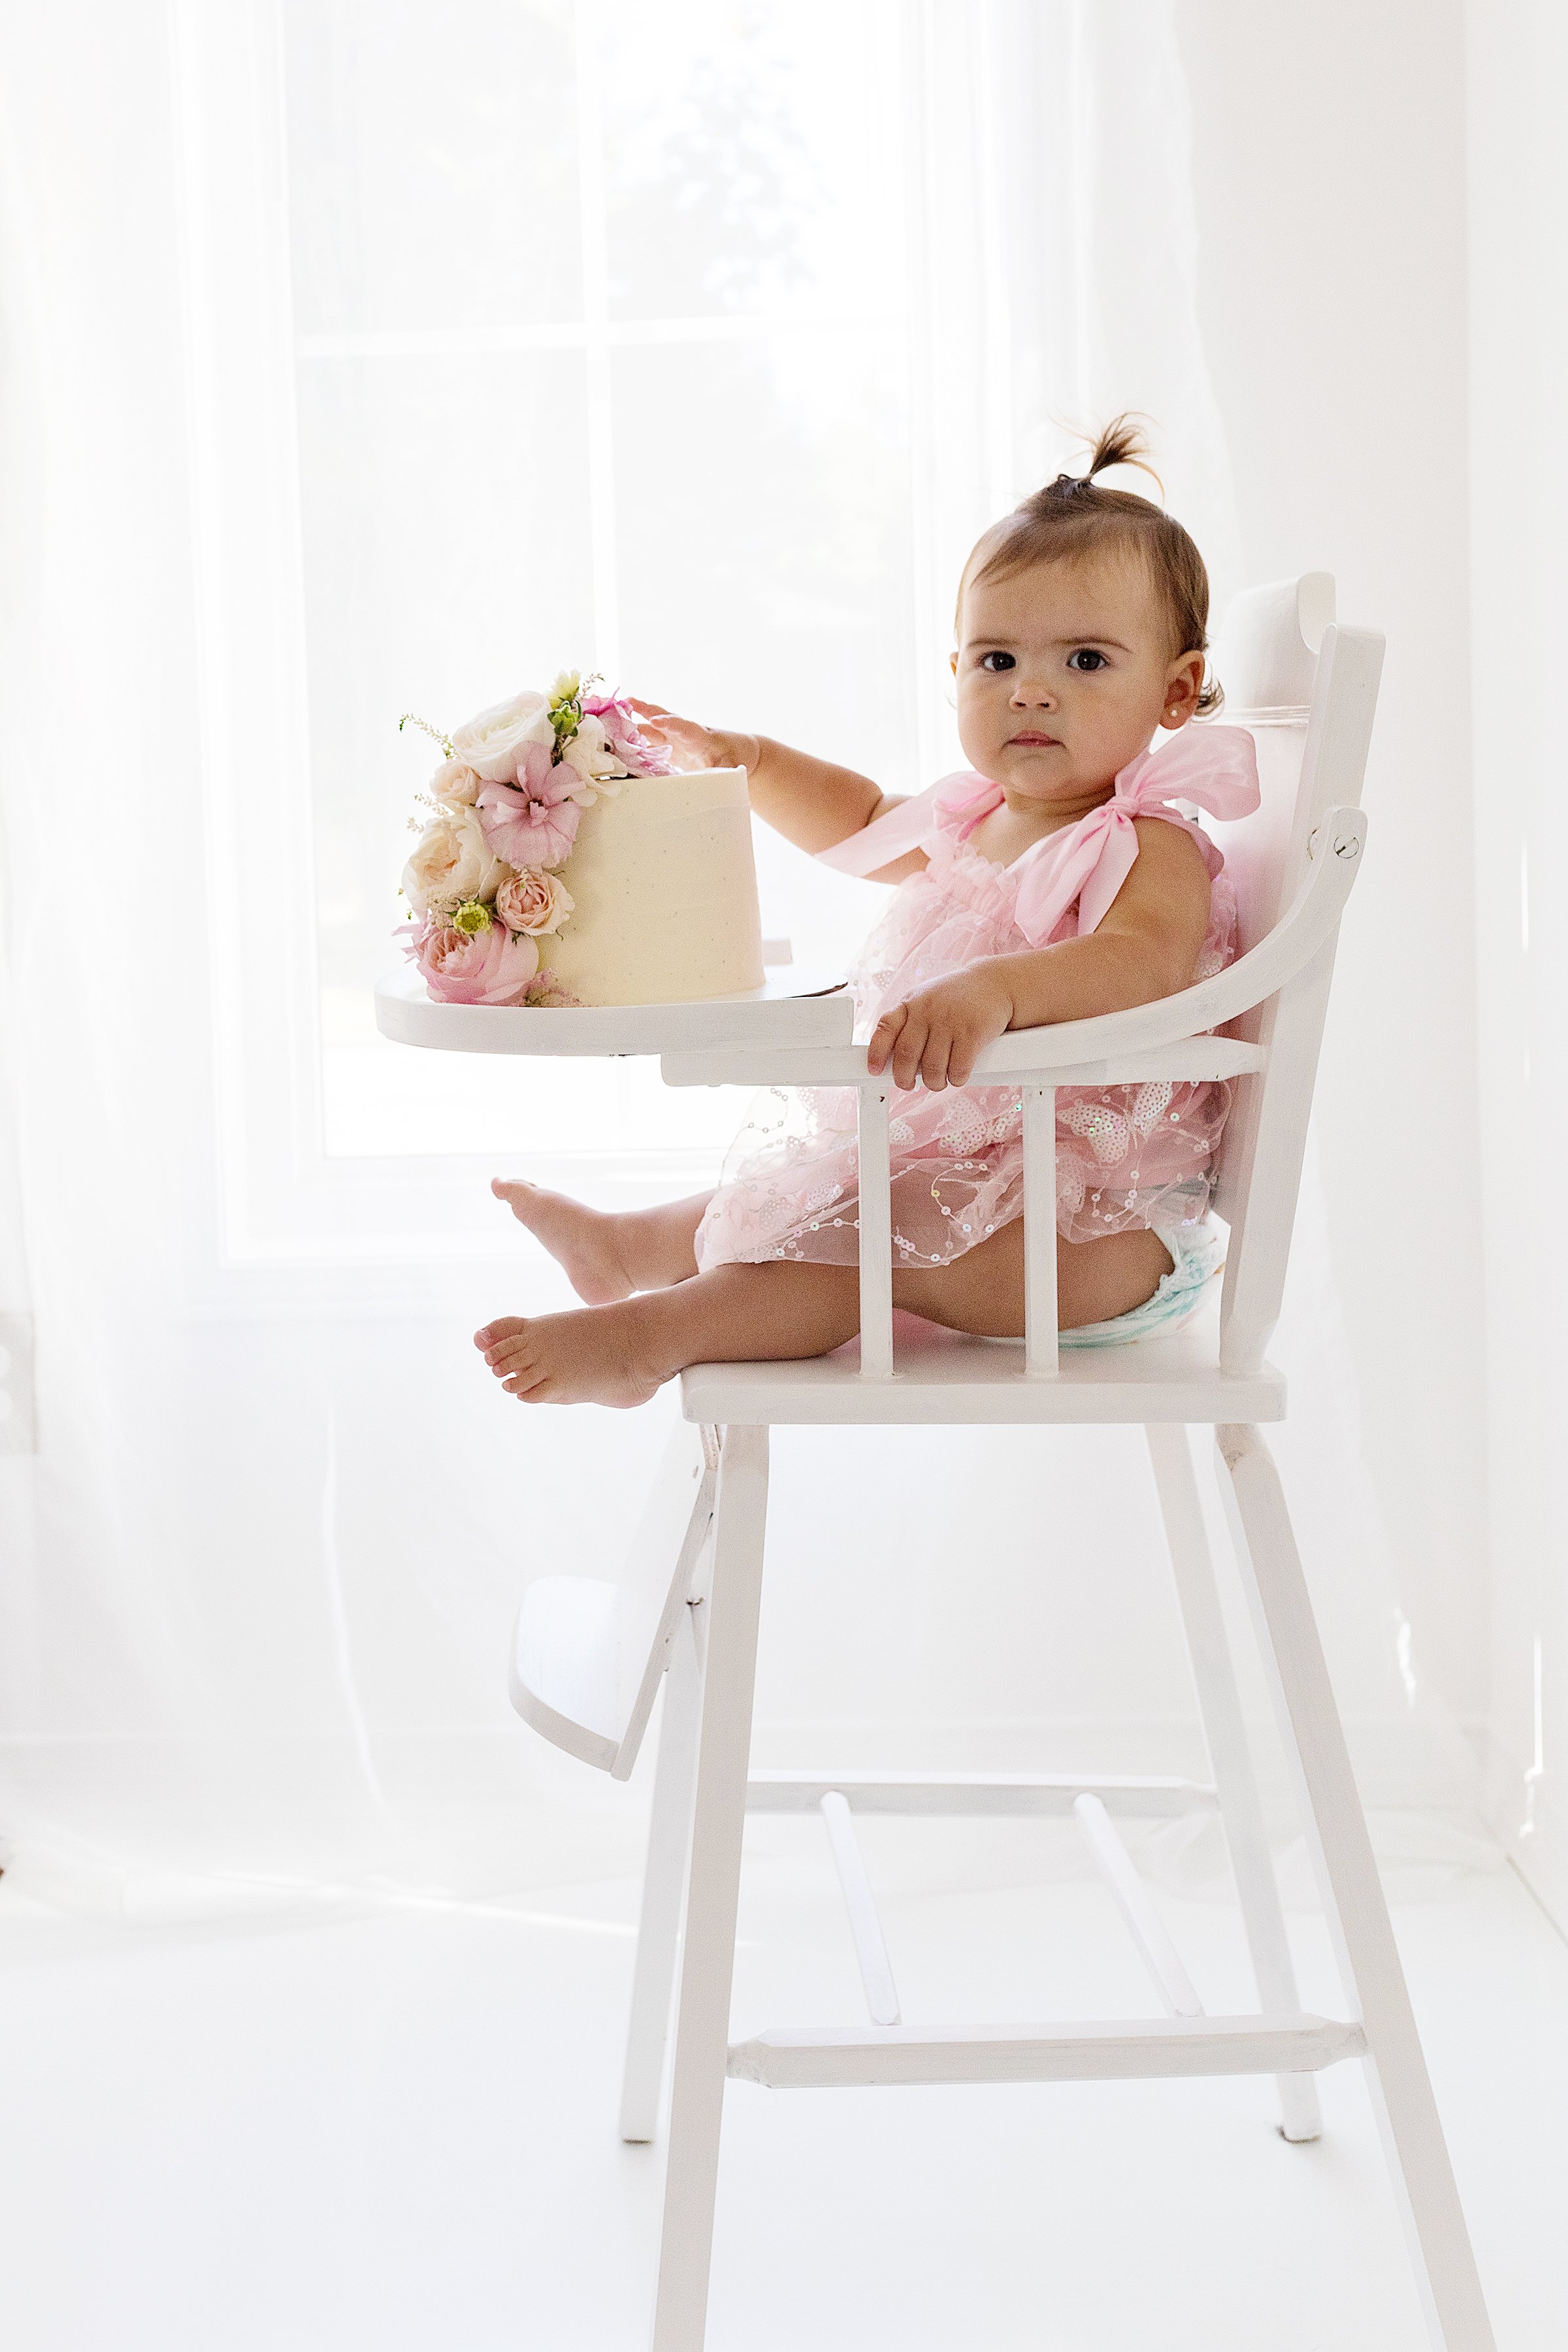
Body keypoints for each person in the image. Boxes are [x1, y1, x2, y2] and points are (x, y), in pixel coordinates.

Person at [476, 417, 1259, 1407]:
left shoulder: (1149, 841)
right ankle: (633, 1247)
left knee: (875, 1227)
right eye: (998, 662)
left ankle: (652, 1336)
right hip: (1001, 1201)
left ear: (1177, 690)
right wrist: (754, 761)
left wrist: (1000, 990)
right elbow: (862, 819)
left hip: (1111, 1238)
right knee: (832, 1196)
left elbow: (1141, 961)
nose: (1032, 694)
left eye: (1087, 662)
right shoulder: (978, 819)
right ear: (955, 676)